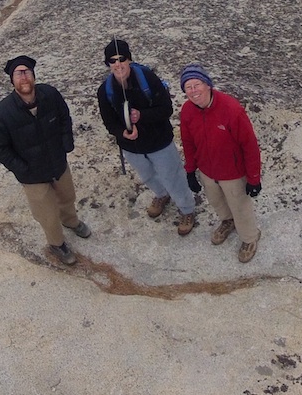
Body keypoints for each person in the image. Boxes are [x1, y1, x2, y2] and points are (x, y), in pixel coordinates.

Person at [0, 55, 91, 265]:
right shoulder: (2, 113)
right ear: (12, 80)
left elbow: (64, 117)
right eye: (19, 73)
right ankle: (57, 244)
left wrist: (66, 143)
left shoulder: (50, 95)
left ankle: (71, 222)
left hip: (57, 163)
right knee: (47, 214)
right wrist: (21, 169)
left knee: (67, 196)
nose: (24, 77)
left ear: (33, 75)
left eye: (26, 72)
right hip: (32, 175)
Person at [97, 39, 196, 236]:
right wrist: (121, 133)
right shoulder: (105, 91)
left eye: (121, 58)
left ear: (129, 59)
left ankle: (187, 210)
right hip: (131, 147)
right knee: (148, 175)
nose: (118, 64)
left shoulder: (147, 79)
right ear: (108, 64)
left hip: (159, 142)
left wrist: (142, 116)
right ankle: (161, 195)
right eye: (112, 60)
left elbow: (166, 108)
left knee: (173, 176)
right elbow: (109, 122)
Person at [178, 63, 263, 263]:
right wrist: (190, 170)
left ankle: (250, 237)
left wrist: (253, 178)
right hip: (208, 171)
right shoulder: (188, 111)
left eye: (197, 84)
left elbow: (250, 146)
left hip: (233, 173)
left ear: (208, 85)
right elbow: (188, 142)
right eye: (188, 87)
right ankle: (228, 221)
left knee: (240, 206)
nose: (193, 91)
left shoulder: (232, 110)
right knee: (217, 202)